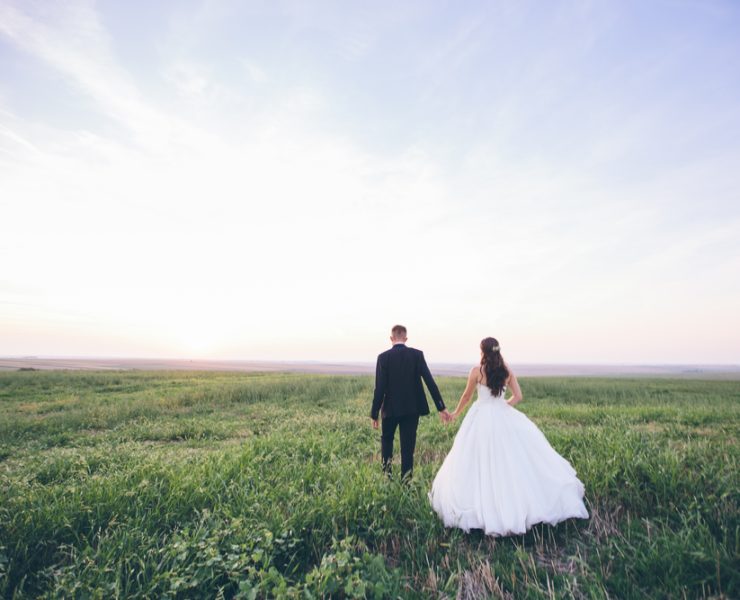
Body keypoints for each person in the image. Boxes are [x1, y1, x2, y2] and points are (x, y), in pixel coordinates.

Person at [429, 337, 589, 535]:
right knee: (511, 459)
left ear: (482, 352)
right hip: (501, 414)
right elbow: (519, 396)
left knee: (476, 459)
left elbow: (467, 397)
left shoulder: (476, 371)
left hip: (481, 418)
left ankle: (485, 508)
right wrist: (503, 407)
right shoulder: (507, 371)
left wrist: (454, 414)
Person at [370, 325, 452, 481]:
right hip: (411, 410)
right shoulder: (417, 355)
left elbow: (379, 388)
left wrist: (374, 414)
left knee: (387, 441)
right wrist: (441, 407)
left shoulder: (383, 357)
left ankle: (387, 478)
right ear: (405, 338)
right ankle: (406, 483)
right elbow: (430, 382)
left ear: (391, 338)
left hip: (390, 409)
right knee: (407, 447)